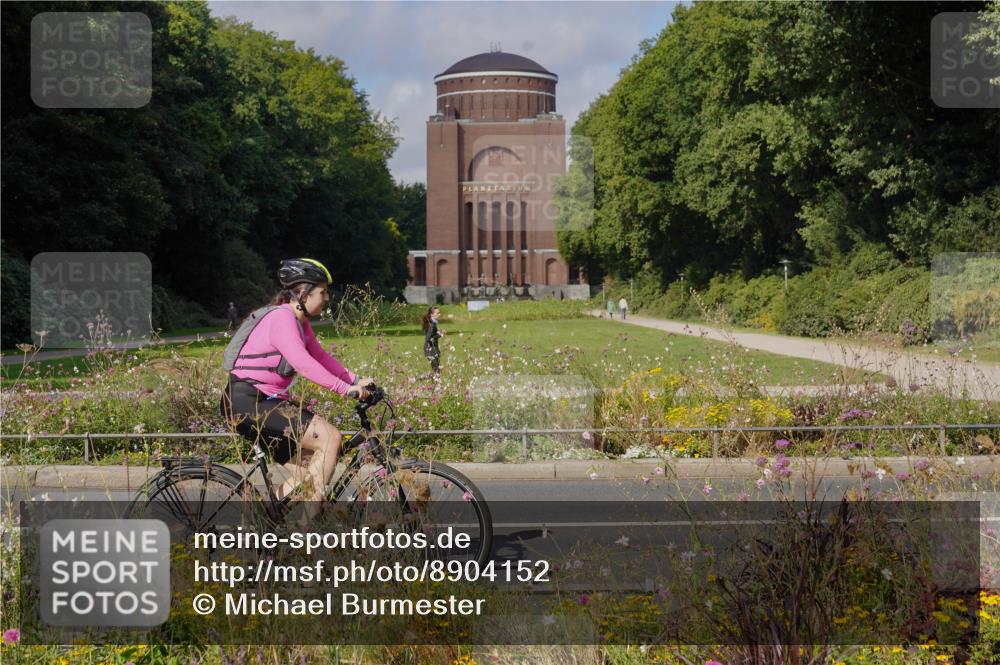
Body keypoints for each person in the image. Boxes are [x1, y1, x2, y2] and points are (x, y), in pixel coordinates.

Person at [219, 258, 375, 520]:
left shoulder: (300, 322)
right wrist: (344, 389)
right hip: (249, 401)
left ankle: (264, 526)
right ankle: (307, 535)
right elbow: (303, 363)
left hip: (264, 400)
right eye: (322, 292)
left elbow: (320, 357)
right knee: (331, 438)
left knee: (308, 476)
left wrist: (356, 379)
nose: (327, 298)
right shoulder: (282, 318)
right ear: (303, 294)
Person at [421, 306, 445, 375]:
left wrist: (438, 332)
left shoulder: (432, 323)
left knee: (437, 370)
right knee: (437, 370)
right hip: (430, 350)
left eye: (439, 313)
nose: (439, 314)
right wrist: (440, 334)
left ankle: (434, 384)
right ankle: (432, 384)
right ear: (432, 314)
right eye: (437, 313)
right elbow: (428, 338)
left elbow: (431, 334)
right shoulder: (431, 324)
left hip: (432, 349)